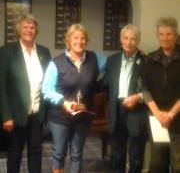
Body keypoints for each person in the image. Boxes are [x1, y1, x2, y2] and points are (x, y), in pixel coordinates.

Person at [42, 23, 106, 173]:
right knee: (59, 152)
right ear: (68, 40)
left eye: (83, 38)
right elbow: (46, 89)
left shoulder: (95, 58)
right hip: (59, 117)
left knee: (77, 153)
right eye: (75, 38)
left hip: (83, 117)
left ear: (86, 41)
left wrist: (135, 53)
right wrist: (64, 102)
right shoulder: (56, 63)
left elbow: (115, 64)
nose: (79, 41)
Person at [0, 13, 51, 173]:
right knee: (15, 152)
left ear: (36, 30)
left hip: (37, 114)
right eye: (25, 26)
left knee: (36, 152)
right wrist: (6, 115)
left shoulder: (44, 52)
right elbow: (1, 85)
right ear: (18, 30)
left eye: (32, 27)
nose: (29, 30)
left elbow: (49, 82)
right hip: (15, 116)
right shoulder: (6, 52)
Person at [103, 24, 148, 173]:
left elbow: (151, 89)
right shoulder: (112, 60)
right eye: (126, 38)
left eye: (133, 39)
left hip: (137, 111)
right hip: (116, 109)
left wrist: (139, 97)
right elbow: (104, 82)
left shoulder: (146, 61)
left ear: (138, 41)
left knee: (136, 155)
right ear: (121, 40)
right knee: (117, 154)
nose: (129, 42)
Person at [142, 16, 180, 173]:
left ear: (176, 35)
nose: (165, 38)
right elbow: (145, 89)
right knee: (158, 164)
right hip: (156, 119)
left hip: (178, 119)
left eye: (169, 34)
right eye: (161, 34)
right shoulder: (150, 59)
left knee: (178, 165)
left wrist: (171, 114)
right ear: (158, 36)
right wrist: (158, 114)